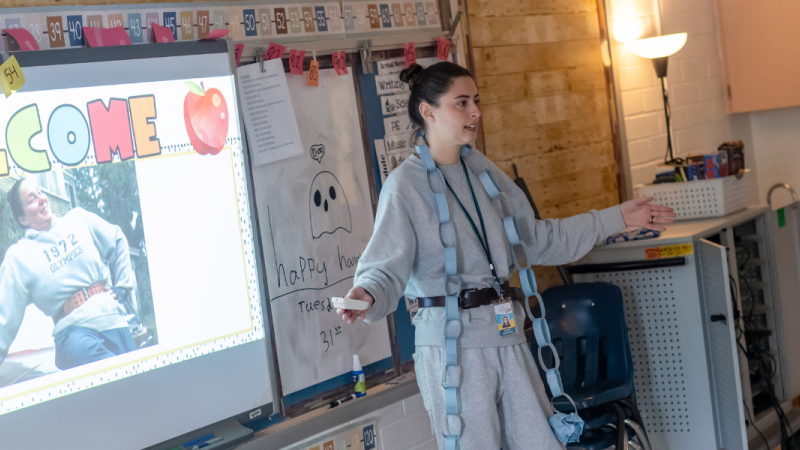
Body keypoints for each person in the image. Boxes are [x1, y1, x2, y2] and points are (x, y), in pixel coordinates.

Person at [337, 62, 675, 450]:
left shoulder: (485, 173)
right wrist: (367, 292)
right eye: (461, 103)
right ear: (428, 111)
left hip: (506, 334)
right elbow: (385, 265)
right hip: (453, 346)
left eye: (476, 101)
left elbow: (539, 239)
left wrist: (617, 217)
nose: (475, 112)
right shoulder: (404, 186)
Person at [0, 177, 136, 371]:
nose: (41, 199)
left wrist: (122, 288)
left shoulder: (78, 219)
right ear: (22, 219)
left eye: (40, 192)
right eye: (31, 199)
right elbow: (3, 322)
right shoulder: (19, 257)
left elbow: (117, 238)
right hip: (76, 336)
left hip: (116, 322)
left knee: (136, 393)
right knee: (120, 389)